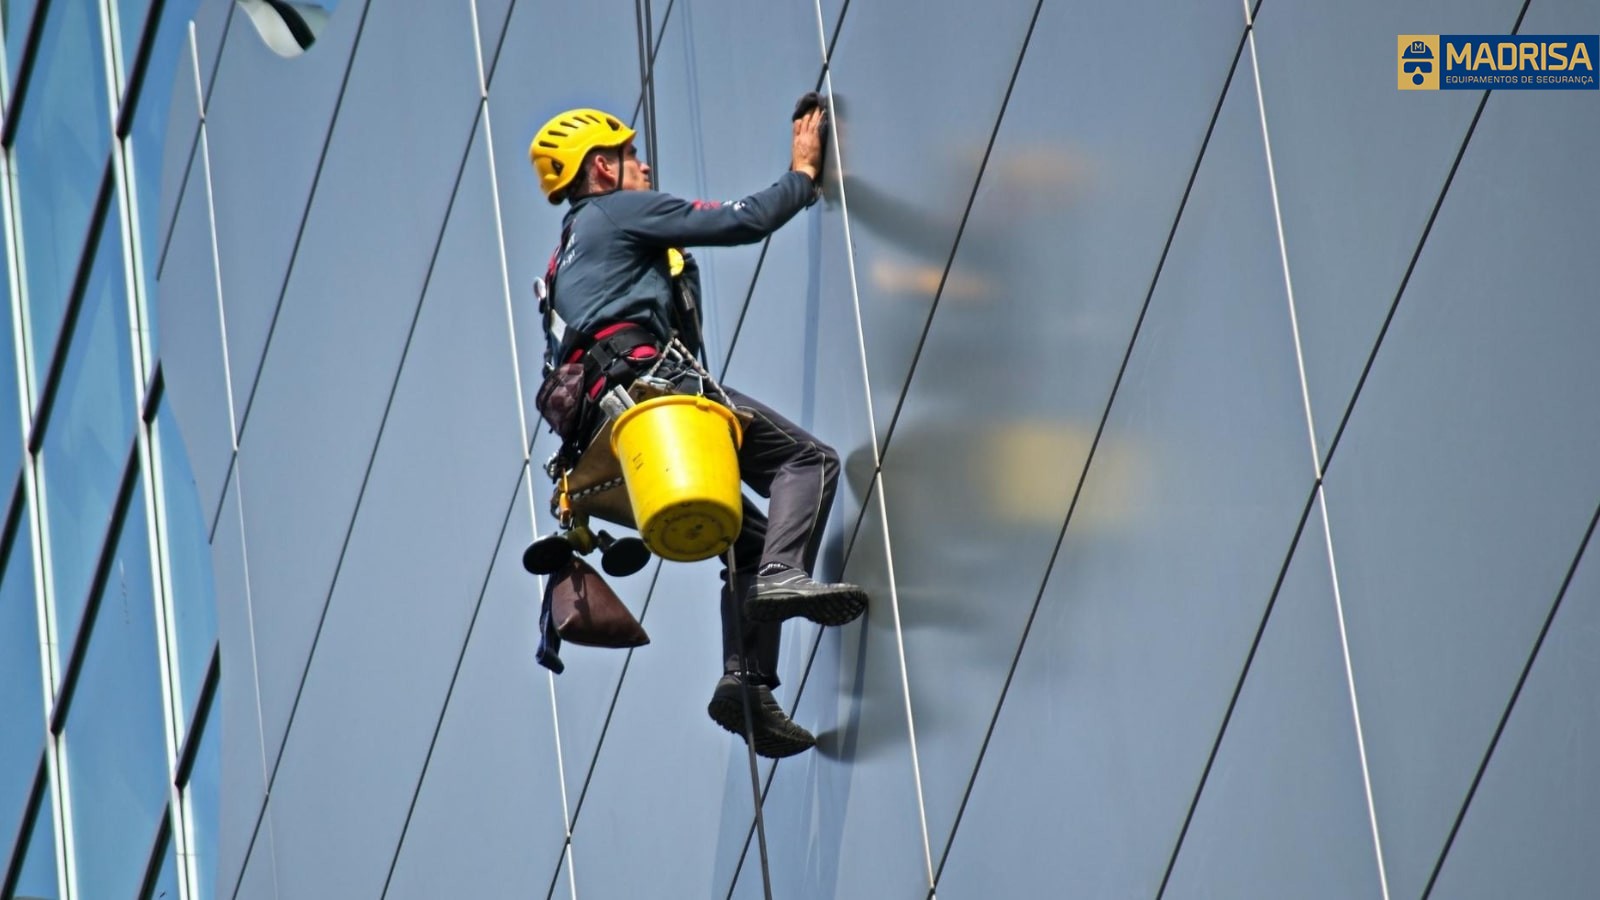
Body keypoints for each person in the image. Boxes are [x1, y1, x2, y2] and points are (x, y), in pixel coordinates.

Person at [529, 104, 867, 758]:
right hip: (653, 396)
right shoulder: (615, 212)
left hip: (606, 443)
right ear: (602, 167)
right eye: (631, 155)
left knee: (749, 537)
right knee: (809, 462)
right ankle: (782, 578)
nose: (645, 165)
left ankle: (746, 685)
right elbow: (741, 220)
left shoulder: (562, 259)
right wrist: (802, 174)